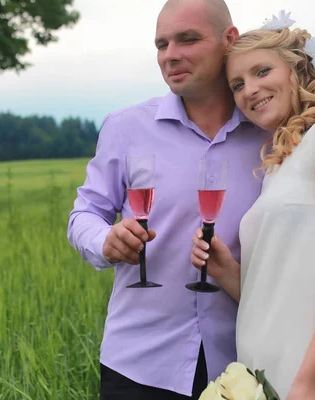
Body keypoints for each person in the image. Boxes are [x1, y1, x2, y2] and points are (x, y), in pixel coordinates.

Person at [67, 0, 271, 398]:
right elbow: (84, 214)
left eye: (188, 39)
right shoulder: (126, 128)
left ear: (230, 40)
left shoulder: (271, 134)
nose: (171, 55)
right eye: (161, 45)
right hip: (139, 365)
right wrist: (104, 240)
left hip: (245, 368)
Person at [190, 12, 315, 400]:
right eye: (237, 84)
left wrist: (309, 384)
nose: (250, 90)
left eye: (262, 71)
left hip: (311, 379)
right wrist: (228, 272)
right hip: (265, 375)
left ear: (299, 68)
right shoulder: (282, 161)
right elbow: (280, 294)